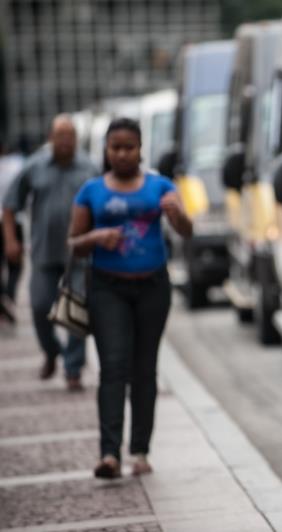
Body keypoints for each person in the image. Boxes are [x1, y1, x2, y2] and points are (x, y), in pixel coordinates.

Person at [68, 118, 192, 479]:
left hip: (153, 287)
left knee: (144, 369)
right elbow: (73, 243)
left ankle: (139, 451)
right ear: (106, 150)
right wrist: (95, 238)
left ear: (141, 149)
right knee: (113, 368)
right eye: (115, 147)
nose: (122, 154)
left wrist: (177, 215)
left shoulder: (161, 187)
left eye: (129, 147)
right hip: (108, 289)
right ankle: (109, 454)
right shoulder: (90, 191)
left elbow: (187, 231)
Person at [2, 116, 99, 389]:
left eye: (70, 135)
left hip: (79, 254)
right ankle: (53, 350)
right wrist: (11, 241)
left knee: (77, 311)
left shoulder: (89, 168)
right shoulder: (34, 166)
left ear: (76, 139)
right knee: (40, 306)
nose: (66, 141)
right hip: (43, 253)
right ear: (51, 137)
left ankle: (73, 369)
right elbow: (10, 205)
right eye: (60, 135)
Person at [0, 142, 24, 322]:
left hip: (11, 219)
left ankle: (5, 297)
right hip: (14, 220)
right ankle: (8, 295)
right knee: (16, 264)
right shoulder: (17, 164)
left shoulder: (16, 164)